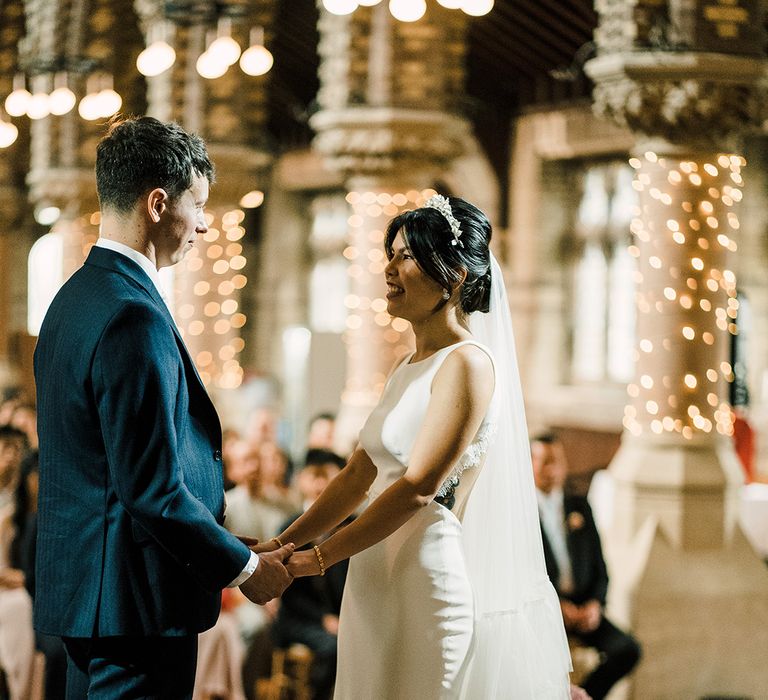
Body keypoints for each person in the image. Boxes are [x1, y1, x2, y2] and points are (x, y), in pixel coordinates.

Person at [252, 195, 572, 698]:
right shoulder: (405, 367)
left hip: (426, 575)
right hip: (372, 570)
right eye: (392, 254)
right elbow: (358, 474)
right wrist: (283, 543)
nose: (389, 269)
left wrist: (318, 559)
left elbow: (419, 486)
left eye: (406, 256)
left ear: (455, 276)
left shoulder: (468, 364)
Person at [33, 116, 293, 699]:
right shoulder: (134, 314)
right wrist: (244, 570)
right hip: (133, 606)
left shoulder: (75, 298)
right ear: (157, 202)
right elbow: (149, 487)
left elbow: (105, 468)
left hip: (98, 597)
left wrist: (225, 543)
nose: (203, 223)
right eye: (197, 204)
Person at [531, 432, 641, 700]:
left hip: (584, 606)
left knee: (627, 650)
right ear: (529, 463)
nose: (553, 469)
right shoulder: (523, 512)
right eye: (544, 461)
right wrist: (556, 606)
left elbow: (601, 568)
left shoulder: (579, 506)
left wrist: (595, 604)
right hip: (546, 611)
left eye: (557, 460)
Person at [272, 452, 348, 700]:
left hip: (342, 617)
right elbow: (288, 594)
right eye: (313, 476)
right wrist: (323, 619)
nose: (319, 485)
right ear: (301, 480)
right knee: (333, 647)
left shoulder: (352, 527)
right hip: (300, 618)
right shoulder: (290, 527)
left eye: (326, 476)